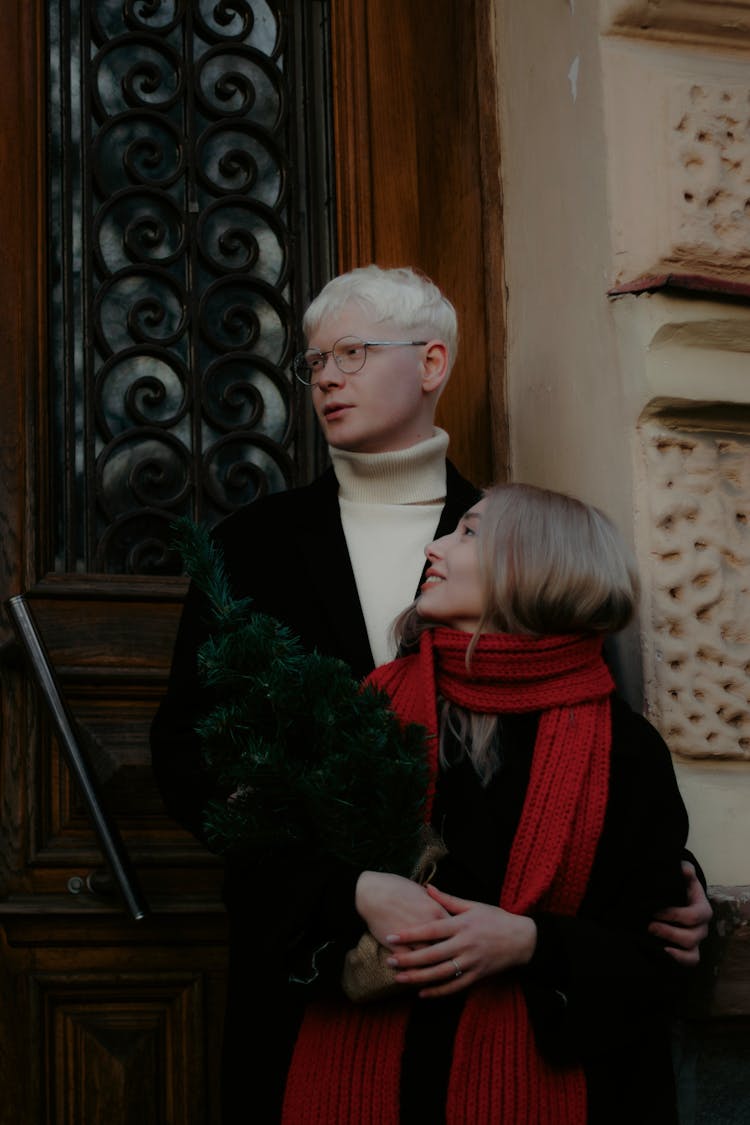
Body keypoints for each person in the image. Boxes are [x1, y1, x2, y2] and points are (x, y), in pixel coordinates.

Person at [150, 266, 710, 1121]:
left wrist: (672, 888)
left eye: (352, 351)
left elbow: (592, 749)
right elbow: (192, 754)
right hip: (318, 986)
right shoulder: (252, 546)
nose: (326, 376)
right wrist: (343, 890)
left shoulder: (520, 540)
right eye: (314, 362)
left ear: (433, 362)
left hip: (518, 1041)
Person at [280, 483, 692, 1123]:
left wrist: (530, 942)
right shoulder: (366, 711)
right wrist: (357, 891)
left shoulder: (624, 749)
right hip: (377, 1077)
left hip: (554, 1083)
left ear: (535, 564)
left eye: (468, 532)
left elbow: (654, 960)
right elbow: (268, 870)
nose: (435, 547)